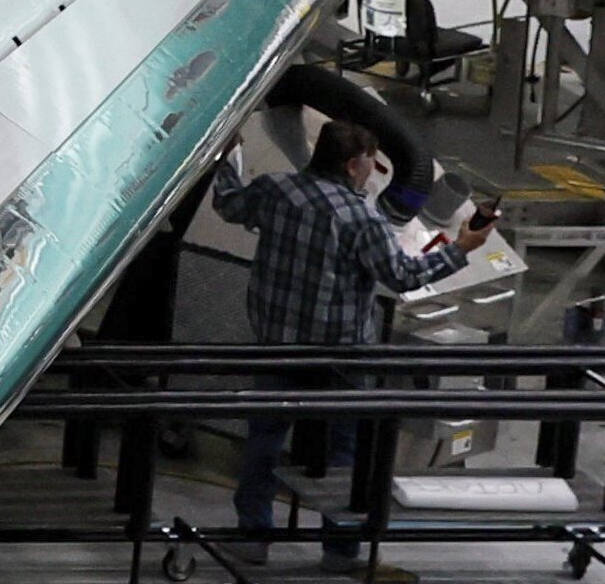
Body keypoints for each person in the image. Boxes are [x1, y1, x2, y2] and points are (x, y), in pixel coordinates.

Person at [205, 122, 493, 557]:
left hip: (275, 349)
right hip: (340, 357)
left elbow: (228, 203)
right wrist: (463, 247)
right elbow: (403, 275)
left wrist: (228, 155)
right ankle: (339, 547)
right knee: (344, 451)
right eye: (370, 165)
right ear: (354, 164)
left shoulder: (276, 190)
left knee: (263, 442)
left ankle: (253, 538)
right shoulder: (362, 219)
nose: (370, 174)